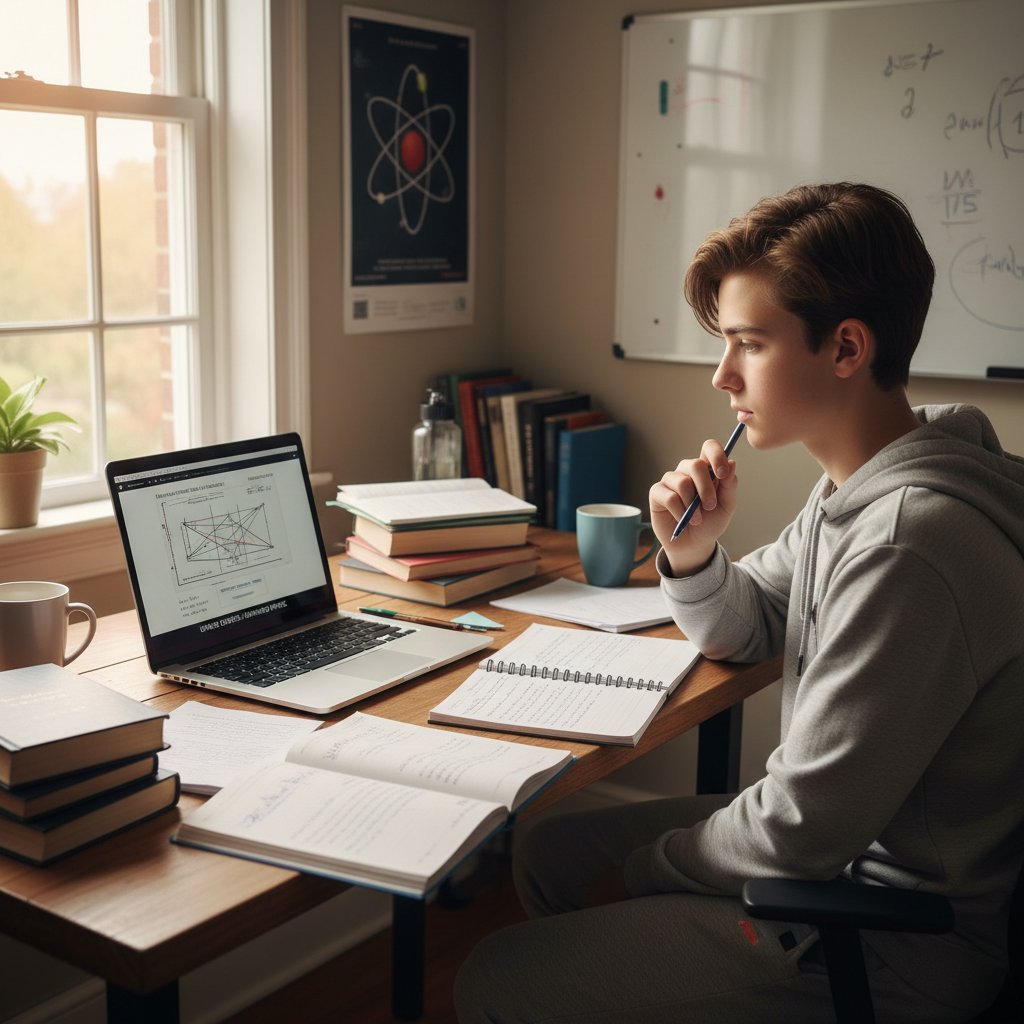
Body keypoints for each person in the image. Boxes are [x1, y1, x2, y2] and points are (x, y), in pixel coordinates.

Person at [454, 183, 1024, 1022]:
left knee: (494, 977)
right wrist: (691, 553)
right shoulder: (871, 482)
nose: (723, 376)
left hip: (891, 936)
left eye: (748, 345)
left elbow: (797, 828)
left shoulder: (910, 542)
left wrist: (645, 873)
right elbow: (751, 621)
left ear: (847, 348)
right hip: (838, 860)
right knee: (551, 852)